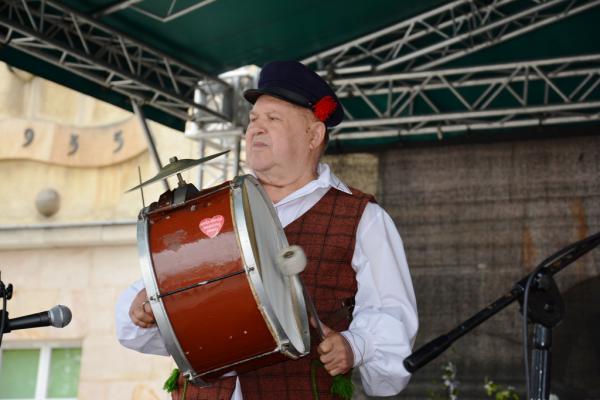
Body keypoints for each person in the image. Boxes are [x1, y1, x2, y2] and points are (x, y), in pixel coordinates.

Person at [115, 60, 418, 399]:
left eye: (273, 119)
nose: (256, 129)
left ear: (313, 134)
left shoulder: (362, 218)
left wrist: (355, 345)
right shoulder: (211, 207)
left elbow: (392, 321)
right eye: (253, 120)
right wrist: (145, 309)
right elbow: (138, 324)